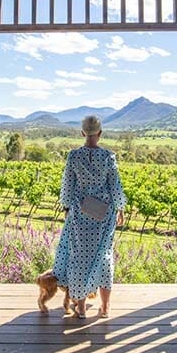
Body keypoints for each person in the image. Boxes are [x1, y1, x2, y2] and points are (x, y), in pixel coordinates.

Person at [52, 115, 126, 319]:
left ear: (82, 132)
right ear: (100, 134)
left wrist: (66, 208)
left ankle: (81, 307)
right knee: (104, 256)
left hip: (80, 215)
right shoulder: (109, 157)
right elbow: (115, 186)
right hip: (104, 215)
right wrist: (120, 209)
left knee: (78, 258)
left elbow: (67, 187)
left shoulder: (74, 157)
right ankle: (105, 307)